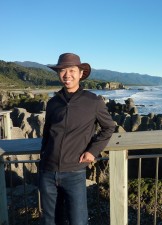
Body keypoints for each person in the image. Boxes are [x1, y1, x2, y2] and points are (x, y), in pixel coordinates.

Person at [39, 53, 116, 225]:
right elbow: (47, 132)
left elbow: (109, 127)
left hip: (74, 172)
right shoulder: (53, 103)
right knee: (50, 221)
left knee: (78, 221)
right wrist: (43, 157)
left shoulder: (93, 101)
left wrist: (92, 151)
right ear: (58, 74)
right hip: (48, 171)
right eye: (62, 70)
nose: (67, 75)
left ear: (81, 73)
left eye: (72, 70)